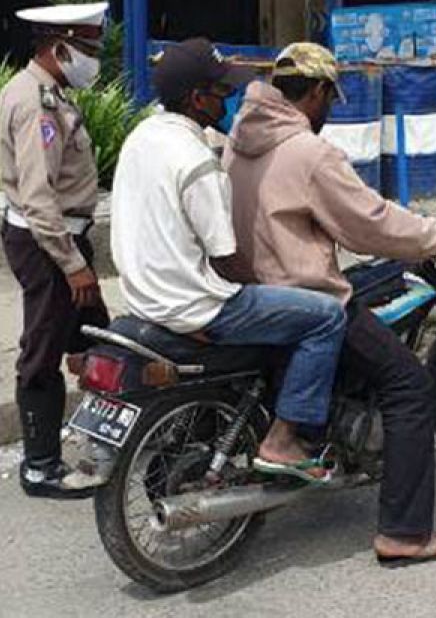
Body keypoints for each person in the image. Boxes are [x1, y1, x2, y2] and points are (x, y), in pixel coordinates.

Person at [222, 41, 436, 565]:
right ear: (315, 93)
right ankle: (404, 533)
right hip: (305, 299)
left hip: (253, 295)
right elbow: (370, 224)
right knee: (408, 384)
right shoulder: (309, 153)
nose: (330, 109)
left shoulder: (239, 140)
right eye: (329, 98)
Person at [110, 38, 347, 480]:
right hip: (197, 307)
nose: (229, 99)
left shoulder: (141, 137)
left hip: (144, 298)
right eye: (221, 92)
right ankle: (283, 441)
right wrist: (273, 287)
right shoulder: (196, 160)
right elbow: (226, 258)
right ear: (197, 99)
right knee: (325, 316)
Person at [0, 1, 111, 499]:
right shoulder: (34, 103)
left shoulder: (49, 94)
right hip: (48, 244)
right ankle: (40, 465)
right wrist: (73, 264)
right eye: (87, 49)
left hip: (60, 238)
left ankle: (105, 437)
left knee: (95, 338)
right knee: (43, 348)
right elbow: (39, 195)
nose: (93, 59)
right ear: (59, 46)